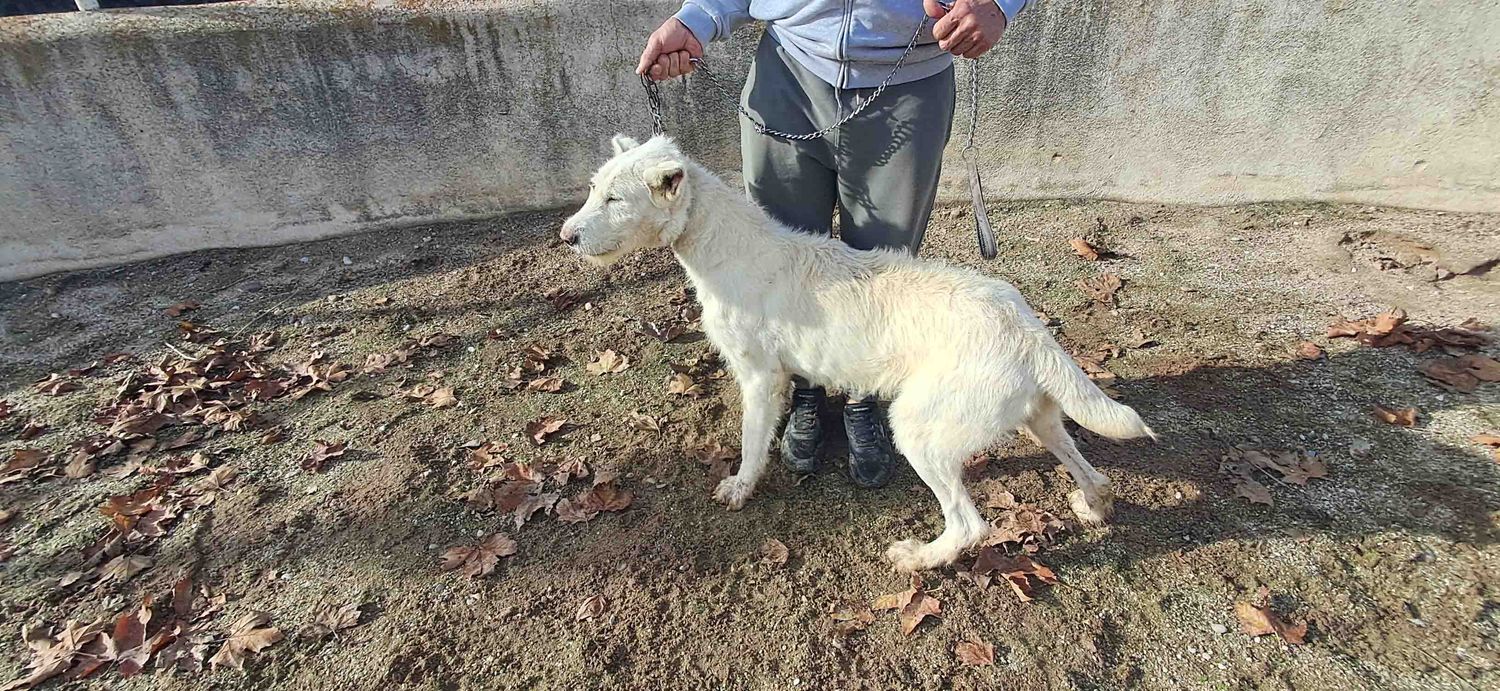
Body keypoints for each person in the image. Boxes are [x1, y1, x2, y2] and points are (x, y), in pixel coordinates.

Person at [638, 0, 1028, 488]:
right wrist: (698, 17)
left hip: (907, 81)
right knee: (777, 265)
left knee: (881, 272)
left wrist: (999, 4)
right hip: (789, 72)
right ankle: (806, 387)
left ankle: (864, 395)